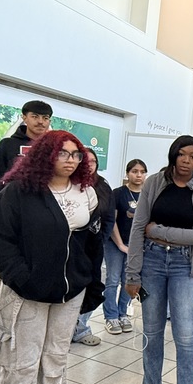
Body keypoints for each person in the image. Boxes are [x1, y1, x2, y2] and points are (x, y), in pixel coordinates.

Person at [0, 130, 103, 384]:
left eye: (76, 154)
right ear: (44, 155)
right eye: (63, 153)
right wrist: (23, 277)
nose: (70, 160)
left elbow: (91, 242)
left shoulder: (86, 193)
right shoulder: (19, 192)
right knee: (20, 361)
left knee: (54, 358)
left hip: (69, 293)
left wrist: (90, 281)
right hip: (26, 293)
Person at [124, 136, 193, 384]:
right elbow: (138, 228)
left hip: (183, 267)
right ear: (174, 155)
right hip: (150, 263)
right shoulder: (153, 183)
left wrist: (158, 230)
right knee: (151, 329)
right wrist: (131, 272)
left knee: (186, 335)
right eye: (183, 154)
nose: (188, 160)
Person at [0, 99, 53, 344]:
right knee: (5, 269)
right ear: (24, 117)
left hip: (43, 219)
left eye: (45, 117)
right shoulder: (7, 146)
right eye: (35, 116)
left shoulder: (54, 147)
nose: (40, 121)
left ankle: (32, 319)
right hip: (11, 217)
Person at [71, 147, 113, 346]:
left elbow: (110, 216)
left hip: (96, 246)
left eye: (93, 162)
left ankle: (81, 327)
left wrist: (102, 239)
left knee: (96, 284)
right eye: (84, 161)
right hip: (73, 247)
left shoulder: (103, 185)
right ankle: (66, 328)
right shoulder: (69, 184)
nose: (89, 165)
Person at [106, 159, 147, 334]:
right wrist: (121, 245)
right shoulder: (118, 193)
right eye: (134, 171)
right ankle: (111, 317)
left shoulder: (147, 195)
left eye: (142, 172)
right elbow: (111, 221)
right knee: (112, 281)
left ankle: (123, 314)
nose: (138, 175)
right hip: (115, 244)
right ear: (127, 173)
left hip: (136, 246)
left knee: (129, 280)